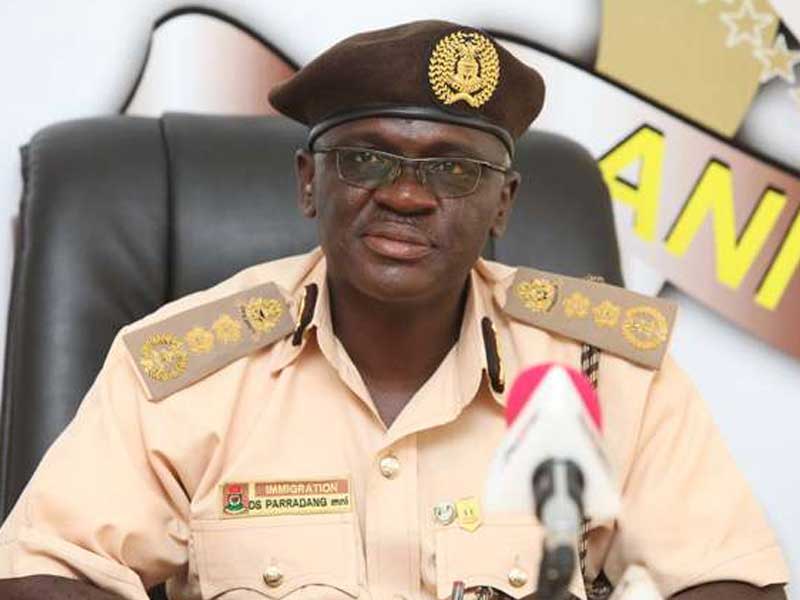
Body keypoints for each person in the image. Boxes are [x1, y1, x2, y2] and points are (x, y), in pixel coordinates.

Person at [0, 19, 789, 600]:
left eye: (454, 170)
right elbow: (47, 572)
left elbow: (725, 582)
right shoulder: (192, 368)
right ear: (309, 183)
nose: (407, 195)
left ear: (504, 203)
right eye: (367, 159)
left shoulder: (603, 369)